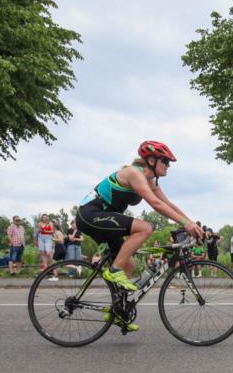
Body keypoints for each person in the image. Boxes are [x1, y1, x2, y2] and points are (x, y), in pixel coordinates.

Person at [75, 140, 202, 332]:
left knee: (131, 264)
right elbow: (155, 204)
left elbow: (168, 204)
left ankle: (117, 311)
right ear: (151, 160)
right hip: (90, 215)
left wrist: (192, 223)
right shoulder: (134, 173)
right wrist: (186, 224)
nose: (168, 166)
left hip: (105, 219)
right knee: (145, 228)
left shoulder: (151, 181)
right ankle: (114, 270)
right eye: (165, 162)